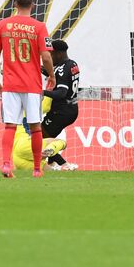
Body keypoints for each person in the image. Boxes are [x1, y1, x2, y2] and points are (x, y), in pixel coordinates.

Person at [0, 0, 55, 178]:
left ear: (15, 4)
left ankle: (6, 165)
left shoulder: (3, 24)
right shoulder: (40, 27)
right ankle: (37, 169)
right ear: (32, 4)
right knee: (35, 127)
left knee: (10, 125)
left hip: (10, 84)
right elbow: (46, 56)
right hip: (32, 85)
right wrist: (51, 75)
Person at [41, 39, 80, 171]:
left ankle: (64, 164)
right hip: (72, 108)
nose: (50, 57)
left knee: (39, 136)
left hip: (62, 111)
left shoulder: (63, 69)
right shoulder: (72, 64)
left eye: (51, 54)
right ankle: (52, 163)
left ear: (58, 54)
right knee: (49, 138)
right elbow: (54, 72)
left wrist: (42, 92)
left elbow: (61, 93)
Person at [12, 105, 69, 172]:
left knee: (49, 171)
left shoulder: (15, 111)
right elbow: (46, 106)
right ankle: (52, 150)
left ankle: (62, 166)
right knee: (61, 142)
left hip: (14, 156)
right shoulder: (31, 107)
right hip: (26, 144)